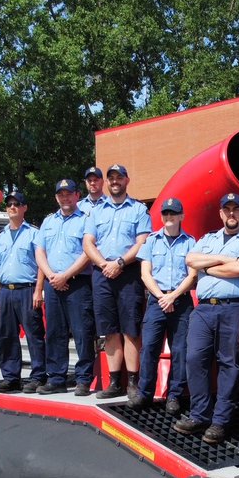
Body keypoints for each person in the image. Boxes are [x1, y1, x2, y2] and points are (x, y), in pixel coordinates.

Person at [173, 193, 239, 444]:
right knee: (194, 358)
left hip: (233, 308)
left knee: (229, 365)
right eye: (227, 210)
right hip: (203, 310)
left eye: (236, 209)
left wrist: (207, 267)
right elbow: (190, 259)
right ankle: (200, 414)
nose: (231, 214)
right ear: (221, 213)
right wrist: (224, 259)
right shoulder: (207, 239)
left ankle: (220, 421)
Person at [83, 164, 151, 399]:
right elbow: (88, 242)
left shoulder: (139, 210)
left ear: (126, 180)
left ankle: (132, 381)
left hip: (129, 273)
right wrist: (104, 264)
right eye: (111, 178)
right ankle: (114, 383)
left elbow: (142, 242)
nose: (114, 181)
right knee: (109, 330)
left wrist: (120, 263)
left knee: (130, 329)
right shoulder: (96, 211)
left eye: (118, 177)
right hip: (102, 274)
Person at [130, 197, 198, 411]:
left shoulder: (191, 242)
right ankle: (145, 393)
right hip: (156, 301)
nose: (169, 217)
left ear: (181, 216)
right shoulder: (151, 241)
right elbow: (145, 274)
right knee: (149, 348)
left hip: (181, 302)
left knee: (180, 350)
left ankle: (174, 396)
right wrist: (162, 296)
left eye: (173, 213)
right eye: (165, 213)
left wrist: (173, 296)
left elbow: (192, 276)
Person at [35, 178, 95, 395]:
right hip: (53, 284)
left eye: (69, 193)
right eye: (61, 194)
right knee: (54, 333)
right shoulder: (48, 222)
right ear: (56, 198)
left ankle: (83, 380)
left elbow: (88, 252)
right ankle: (57, 379)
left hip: (78, 283)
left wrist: (66, 275)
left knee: (82, 332)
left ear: (77, 195)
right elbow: (40, 252)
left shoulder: (87, 220)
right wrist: (52, 276)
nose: (65, 197)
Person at [0, 191, 46, 393]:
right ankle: (11, 377)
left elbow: (41, 264)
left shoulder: (34, 233)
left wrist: (38, 290)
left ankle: (38, 376)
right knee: (6, 336)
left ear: (24, 208)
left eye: (17, 204)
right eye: (9, 204)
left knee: (34, 335)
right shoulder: (2, 235)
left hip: (27, 290)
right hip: (6, 291)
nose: (12, 207)